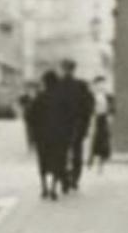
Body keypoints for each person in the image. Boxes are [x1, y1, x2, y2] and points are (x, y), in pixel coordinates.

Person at [52, 58, 95, 192]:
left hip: (62, 125)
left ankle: (64, 179)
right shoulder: (81, 85)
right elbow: (89, 106)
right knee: (76, 152)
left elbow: (51, 106)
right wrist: (86, 123)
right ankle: (75, 179)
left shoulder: (57, 85)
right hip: (77, 124)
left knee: (61, 153)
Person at [25, 70, 69, 199]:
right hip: (59, 135)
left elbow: (30, 116)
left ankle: (44, 187)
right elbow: (68, 117)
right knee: (57, 161)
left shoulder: (39, 98)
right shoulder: (62, 98)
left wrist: (34, 133)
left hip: (42, 136)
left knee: (43, 161)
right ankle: (54, 188)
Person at [89, 75, 114, 169]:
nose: (101, 86)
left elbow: (112, 108)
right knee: (93, 137)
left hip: (104, 118)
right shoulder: (91, 96)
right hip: (94, 117)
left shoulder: (109, 96)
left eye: (103, 84)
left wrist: (110, 115)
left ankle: (102, 159)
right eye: (99, 84)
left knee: (103, 138)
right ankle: (91, 159)